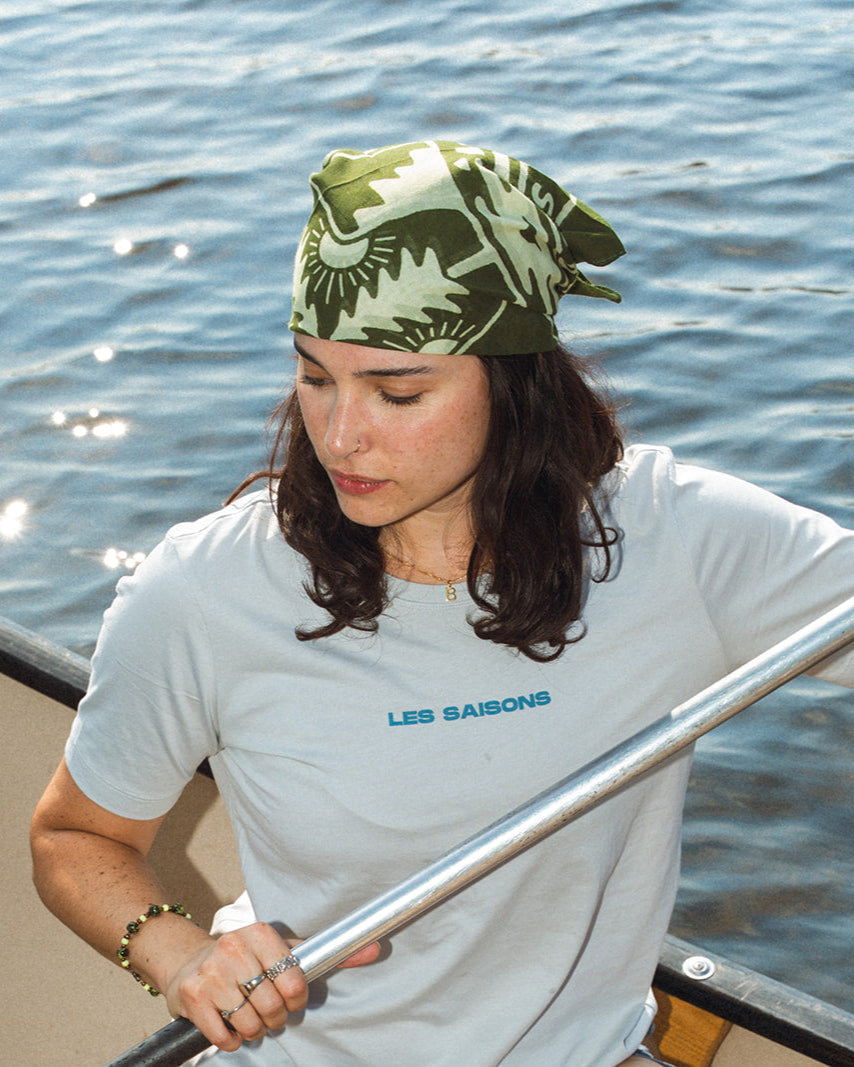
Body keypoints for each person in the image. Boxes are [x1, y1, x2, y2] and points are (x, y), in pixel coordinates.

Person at [31, 140, 854, 1066]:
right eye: (315, 377)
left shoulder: (676, 543)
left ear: (515, 384)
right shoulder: (206, 590)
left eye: (397, 391)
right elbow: (72, 836)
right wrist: (183, 956)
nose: (341, 434)